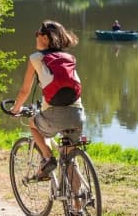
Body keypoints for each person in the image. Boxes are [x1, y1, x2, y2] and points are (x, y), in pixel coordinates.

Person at [12, 20, 85, 179]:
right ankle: (80, 202)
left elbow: (25, 91)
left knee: (33, 123)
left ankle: (48, 158)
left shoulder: (36, 58)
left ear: (45, 38)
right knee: (70, 160)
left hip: (53, 114)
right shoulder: (69, 57)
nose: (36, 37)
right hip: (77, 114)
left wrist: (16, 108)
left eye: (37, 34)